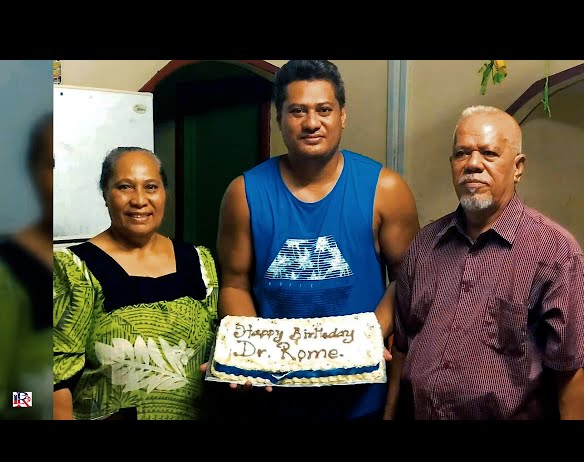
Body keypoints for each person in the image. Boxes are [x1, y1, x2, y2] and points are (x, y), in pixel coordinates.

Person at [214, 59, 420, 420]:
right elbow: (234, 283)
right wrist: (251, 353)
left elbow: (408, 277)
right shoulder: (243, 193)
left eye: (324, 110)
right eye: (297, 111)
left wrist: (368, 337)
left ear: (342, 115)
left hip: (360, 397)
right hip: (274, 395)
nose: (311, 123)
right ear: (279, 119)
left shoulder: (386, 189)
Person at [386, 105, 584, 420]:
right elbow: (402, 348)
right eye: (462, 154)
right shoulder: (424, 246)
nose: (473, 165)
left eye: (489, 154)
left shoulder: (555, 253)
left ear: (518, 167)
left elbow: (571, 373)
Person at [53, 147, 219, 420]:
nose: (139, 200)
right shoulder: (74, 270)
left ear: (164, 193)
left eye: (151, 187)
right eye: (125, 187)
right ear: (105, 195)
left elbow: (216, 355)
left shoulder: (199, 262)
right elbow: (53, 382)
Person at [0, 113, 53, 420]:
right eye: (52, 165)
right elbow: (9, 392)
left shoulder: (83, 259)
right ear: (34, 171)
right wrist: (34, 401)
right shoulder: (9, 269)